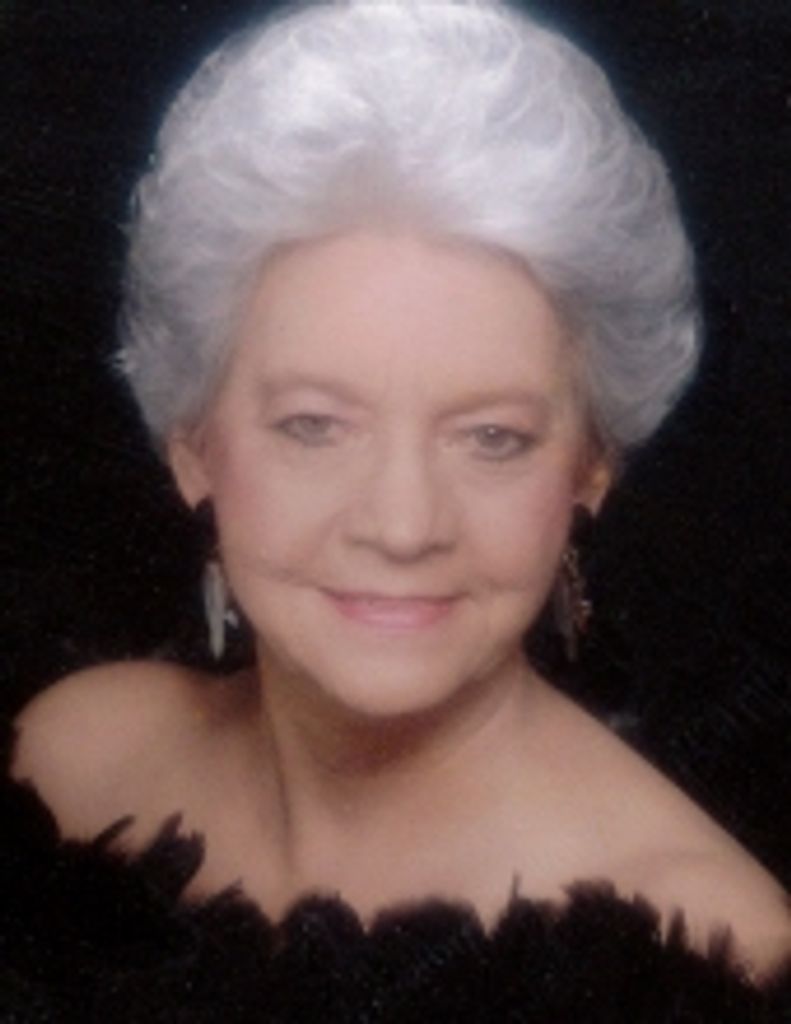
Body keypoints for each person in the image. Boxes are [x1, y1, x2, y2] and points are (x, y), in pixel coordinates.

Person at [9, 0, 790, 1001]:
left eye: (491, 438)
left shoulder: (711, 953)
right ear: (193, 446)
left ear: (589, 468)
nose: (402, 524)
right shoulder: (70, 761)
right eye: (313, 426)